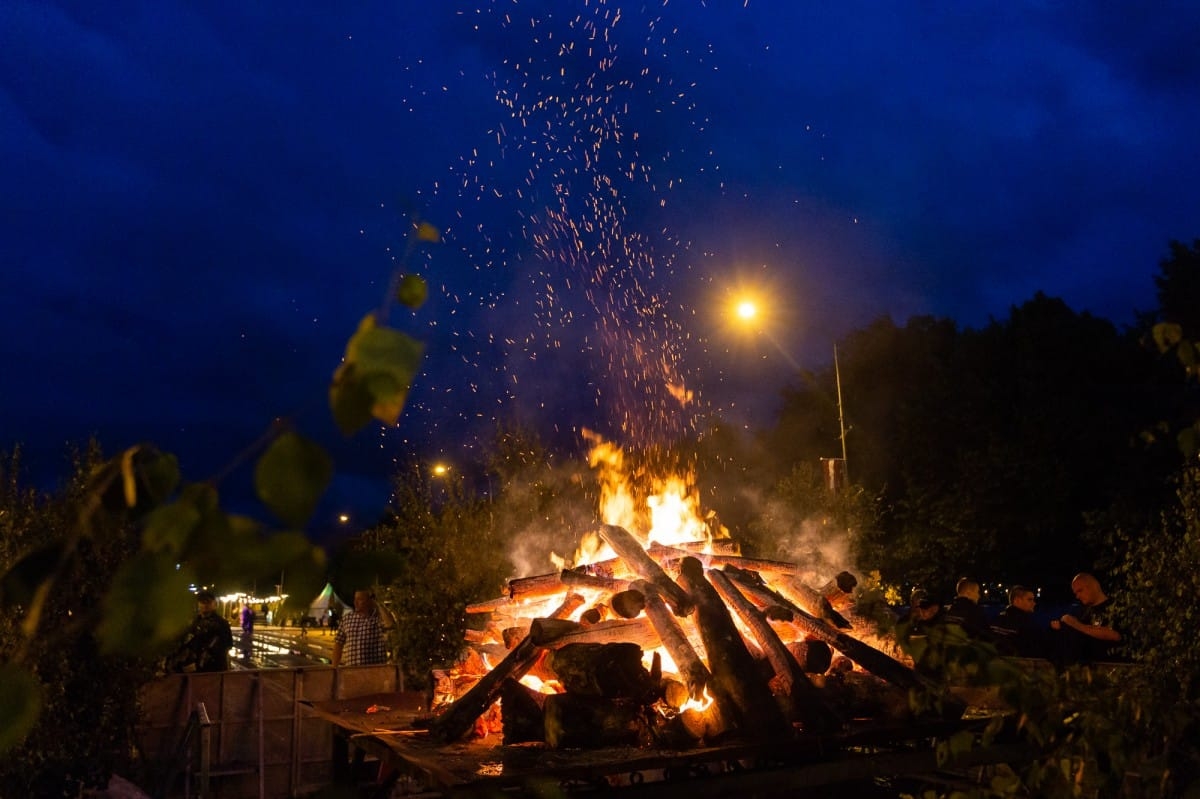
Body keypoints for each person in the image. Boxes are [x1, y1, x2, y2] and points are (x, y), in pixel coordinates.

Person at [1050, 572, 1121, 664]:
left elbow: (1115, 635)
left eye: (1080, 590)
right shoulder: (1083, 612)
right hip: (1089, 671)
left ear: (1094, 586)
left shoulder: (1115, 607)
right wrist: (1061, 627)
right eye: (1075, 593)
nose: (1077, 596)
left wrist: (1076, 625)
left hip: (1113, 667)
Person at [166, 590, 233, 673]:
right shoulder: (194, 622)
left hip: (214, 669)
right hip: (194, 668)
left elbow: (227, 644)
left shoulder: (221, 623)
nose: (205, 605)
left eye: (208, 602)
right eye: (202, 602)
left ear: (214, 604)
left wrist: (209, 654)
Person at [331, 589, 394, 667]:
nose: (355, 602)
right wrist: (334, 668)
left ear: (369, 601)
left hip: (375, 671)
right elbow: (338, 644)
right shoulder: (347, 619)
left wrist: (378, 603)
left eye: (360, 599)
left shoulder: (378, 618)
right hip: (352, 671)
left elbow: (390, 624)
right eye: (355, 599)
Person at [990, 585, 1049, 658]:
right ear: (1017, 600)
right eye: (1030, 600)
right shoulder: (1026, 623)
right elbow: (1039, 649)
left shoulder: (997, 619)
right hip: (1018, 665)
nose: (1034, 603)